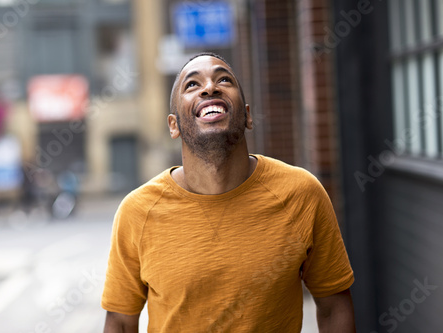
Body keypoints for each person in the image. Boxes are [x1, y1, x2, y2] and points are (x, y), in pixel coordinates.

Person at [102, 52, 356, 332]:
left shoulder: (302, 193)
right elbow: (121, 323)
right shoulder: (137, 211)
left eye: (224, 79)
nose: (210, 87)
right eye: (192, 85)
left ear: (247, 116)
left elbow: (333, 307)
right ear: (173, 126)